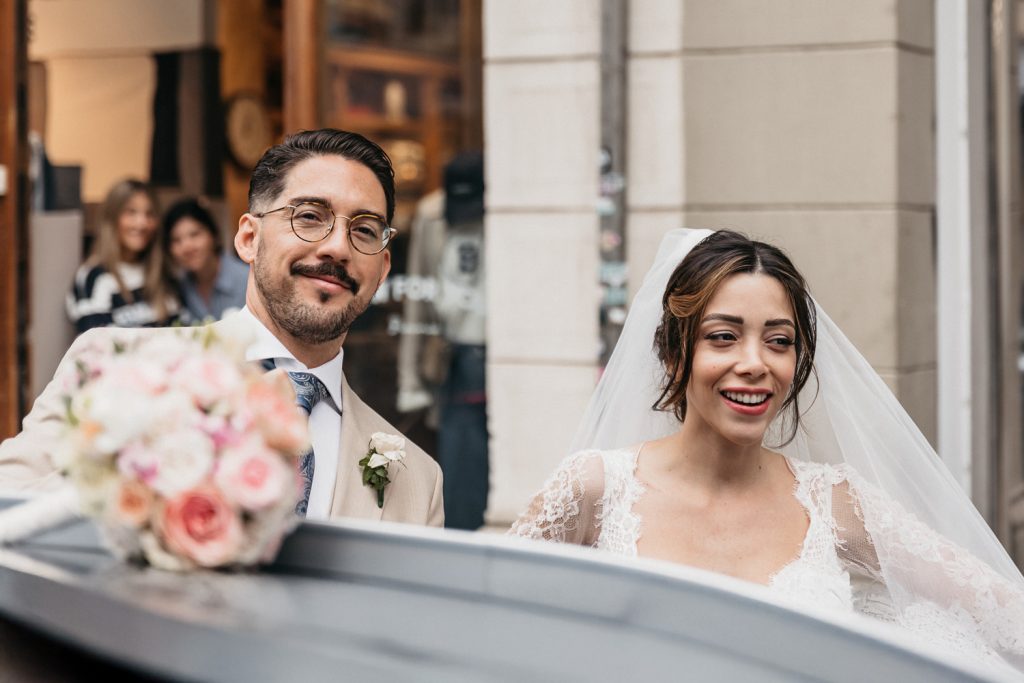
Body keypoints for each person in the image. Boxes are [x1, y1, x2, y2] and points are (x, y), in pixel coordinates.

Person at [510, 229, 1024, 673]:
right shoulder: (594, 489)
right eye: (723, 337)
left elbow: (1004, 612)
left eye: (779, 341)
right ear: (673, 353)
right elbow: (492, 627)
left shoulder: (835, 503)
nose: (755, 363)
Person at [0, 129, 443, 526]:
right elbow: (8, 512)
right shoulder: (111, 364)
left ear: (382, 270)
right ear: (249, 239)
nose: (338, 247)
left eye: (364, 230)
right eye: (309, 216)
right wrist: (141, 455)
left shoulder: (419, 482)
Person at [66, 178, 181, 333]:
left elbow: (183, 332)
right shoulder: (93, 277)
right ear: (112, 219)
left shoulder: (164, 274)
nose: (142, 223)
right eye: (131, 212)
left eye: (149, 214)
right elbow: (97, 342)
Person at [162, 197, 249, 322]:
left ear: (214, 236)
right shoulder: (181, 287)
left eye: (195, 234)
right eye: (176, 240)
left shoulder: (247, 279)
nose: (187, 247)